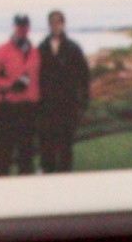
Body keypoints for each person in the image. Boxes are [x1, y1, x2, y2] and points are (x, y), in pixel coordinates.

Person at [0, 13, 41, 174]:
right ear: (14, 27)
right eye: (19, 25)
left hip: (29, 109)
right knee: (4, 153)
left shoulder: (35, 52)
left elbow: (38, 80)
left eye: (25, 25)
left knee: (27, 154)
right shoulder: (0, 51)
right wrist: (10, 85)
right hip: (8, 109)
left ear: (28, 28)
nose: (22, 29)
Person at [35, 9, 92, 171]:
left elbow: (84, 77)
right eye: (52, 22)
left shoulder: (73, 48)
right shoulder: (41, 48)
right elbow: (35, 77)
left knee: (66, 147)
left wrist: (84, 103)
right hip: (46, 108)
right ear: (49, 25)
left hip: (68, 106)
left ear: (63, 24)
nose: (55, 25)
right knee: (47, 147)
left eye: (58, 21)